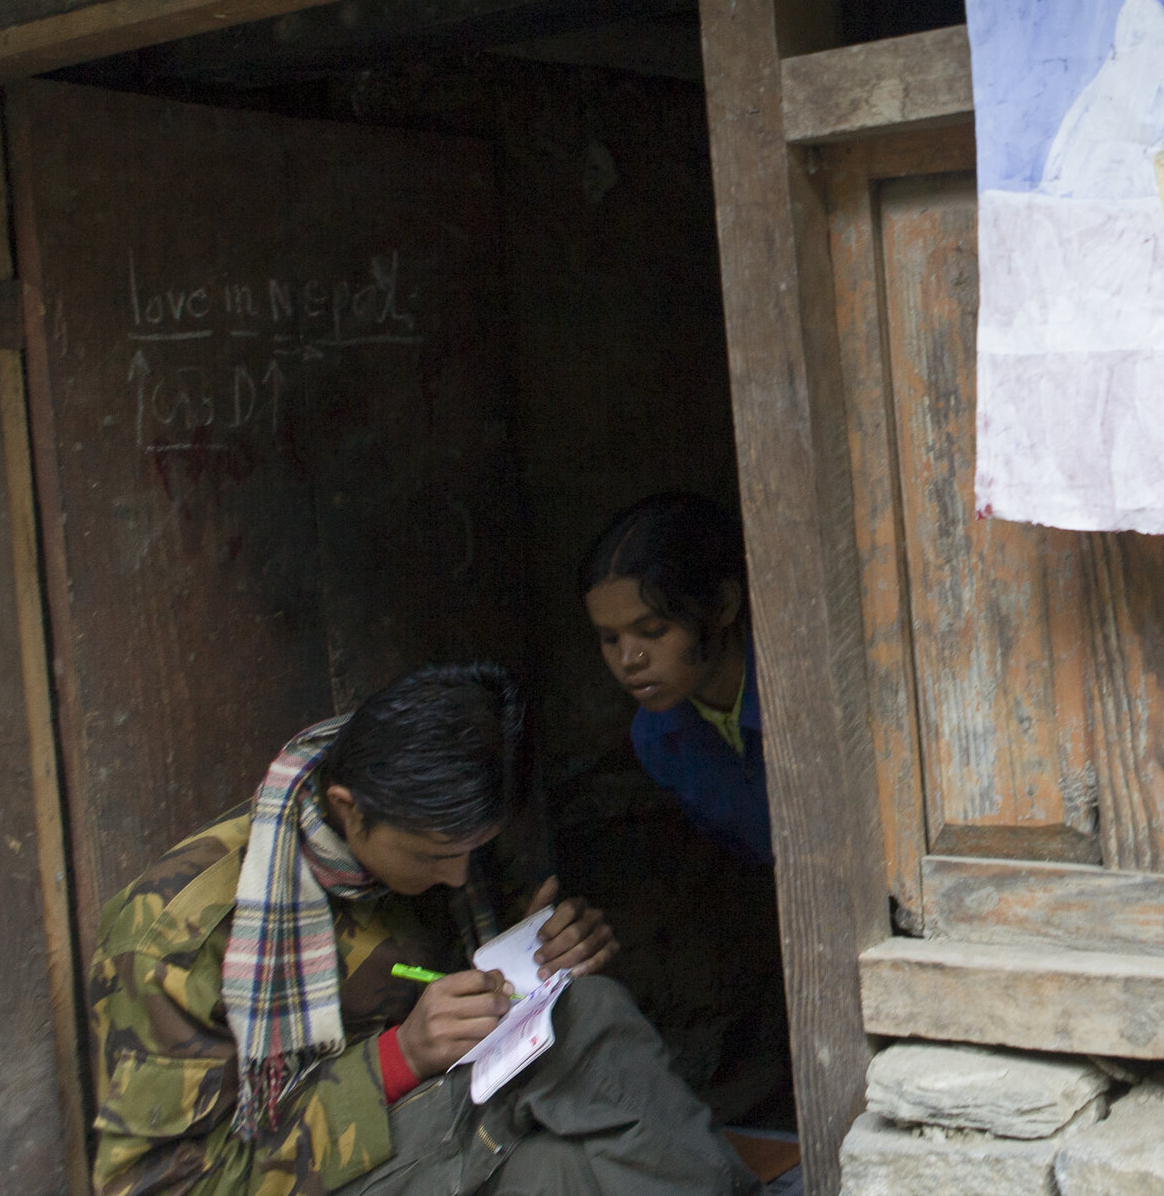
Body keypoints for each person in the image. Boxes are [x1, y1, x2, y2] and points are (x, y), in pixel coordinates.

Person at [87, 661, 762, 1196]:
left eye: (470, 852)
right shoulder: (176, 938)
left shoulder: (432, 824)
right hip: (321, 1169)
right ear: (350, 811)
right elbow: (164, 1184)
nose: (456, 877)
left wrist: (537, 950)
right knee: (588, 1019)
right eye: (433, 856)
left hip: (425, 1150)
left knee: (571, 1167)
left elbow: (471, 962)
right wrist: (398, 1058)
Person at [577, 494, 772, 865]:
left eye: (652, 630)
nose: (628, 660)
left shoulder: (797, 695)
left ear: (724, 604)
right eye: (610, 638)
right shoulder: (656, 740)